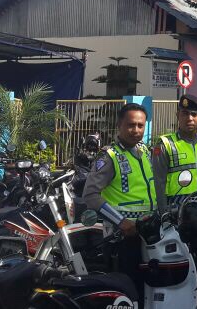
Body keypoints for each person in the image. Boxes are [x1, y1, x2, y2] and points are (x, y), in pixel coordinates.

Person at [82, 103, 157, 304]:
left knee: (148, 289)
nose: (136, 130)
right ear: (119, 126)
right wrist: (121, 222)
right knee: (126, 293)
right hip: (122, 238)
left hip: (148, 234)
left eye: (141, 126)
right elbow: (90, 195)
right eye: (131, 125)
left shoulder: (146, 152)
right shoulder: (109, 156)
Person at [152, 94, 197, 204]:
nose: (189, 118)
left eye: (194, 114)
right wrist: (164, 214)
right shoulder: (165, 144)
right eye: (185, 113)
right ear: (177, 115)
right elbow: (158, 184)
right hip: (177, 209)